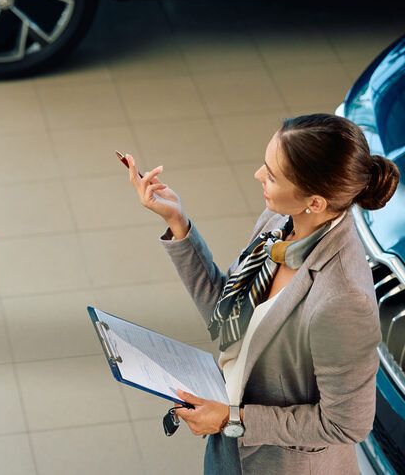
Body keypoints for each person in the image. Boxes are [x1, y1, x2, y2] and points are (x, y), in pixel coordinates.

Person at [124, 113, 399, 474]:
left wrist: (233, 419)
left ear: (314, 202)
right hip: (229, 452)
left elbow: (346, 424)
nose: (258, 176)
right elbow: (229, 316)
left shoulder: (344, 300)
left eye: (271, 175)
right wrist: (177, 222)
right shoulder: (280, 223)